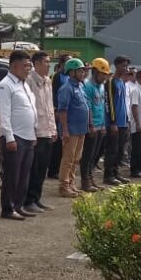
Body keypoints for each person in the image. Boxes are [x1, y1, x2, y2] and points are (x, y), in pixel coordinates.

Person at [0, 50, 38, 220]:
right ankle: (8, 208)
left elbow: (30, 109)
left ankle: (19, 205)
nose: (28, 69)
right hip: (14, 136)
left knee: (24, 174)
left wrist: (34, 132)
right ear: (13, 66)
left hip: (28, 136)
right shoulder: (5, 85)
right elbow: (3, 114)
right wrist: (9, 138)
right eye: (25, 66)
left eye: (29, 65)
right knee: (12, 175)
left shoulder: (24, 84)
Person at [24, 51, 56, 212]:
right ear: (36, 64)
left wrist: (53, 128)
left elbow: (50, 106)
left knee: (42, 168)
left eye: (49, 62)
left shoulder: (48, 81)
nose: (49, 65)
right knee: (34, 168)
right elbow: (29, 108)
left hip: (47, 129)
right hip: (36, 131)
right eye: (46, 62)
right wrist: (32, 131)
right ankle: (28, 200)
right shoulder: (29, 80)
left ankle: (37, 198)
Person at [55, 58, 90, 198]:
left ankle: (71, 183)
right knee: (68, 159)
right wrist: (64, 130)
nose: (83, 73)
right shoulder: (66, 88)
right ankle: (64, 186)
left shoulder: (80, 86)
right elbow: (62, 110)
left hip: (81, 129)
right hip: (71, 130)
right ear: (71, 72)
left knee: (76, 158)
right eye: (80, 71)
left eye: (83, 71)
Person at [80, 57, 111, 192]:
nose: (104, 77)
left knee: (94, 156)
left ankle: (91, 178)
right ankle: (85, 181)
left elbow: (102, 106)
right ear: (95, 72)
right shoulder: (87, 86)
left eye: (106, 74)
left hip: (100, 126)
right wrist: (91, 125)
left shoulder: (102, 86)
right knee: (87, 156)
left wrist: (103, 125)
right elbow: (88, 107)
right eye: (103, 74)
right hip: (91, 127)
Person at [103, 56, 131, 186]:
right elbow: (109, 103)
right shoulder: (111, 82)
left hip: (123, 123)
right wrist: (113, 122)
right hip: (114, 124)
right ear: (117, 66)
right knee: (112, 150)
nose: (126, 68)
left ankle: (116, 173)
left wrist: (126, 120)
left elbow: (123, 104)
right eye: (123, 66)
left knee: (120, 151)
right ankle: (108, 175)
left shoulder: (122, 82)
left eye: (127, 66)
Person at [48, 54, 70, 179]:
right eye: (68, 62)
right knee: (57, 143)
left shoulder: (70, 76)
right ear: (61, 64)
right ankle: (53, 170)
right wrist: (55, 110)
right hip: (58, 113)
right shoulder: (57, 76)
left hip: (68, 114)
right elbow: (53, 93)